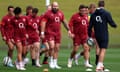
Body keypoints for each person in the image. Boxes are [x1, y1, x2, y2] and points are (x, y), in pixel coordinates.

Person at [88, 1, 117, 72]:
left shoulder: (93, 14)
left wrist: (89, 36)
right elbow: (111, 23)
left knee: (99, 49)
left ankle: (101, 66)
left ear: (98, 5)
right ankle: (99, 66)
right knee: (103, 50)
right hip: (104, 34)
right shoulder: (106, 13)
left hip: (97, 35)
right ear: (104, 5)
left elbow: (89, 27)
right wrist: (115, 25)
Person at [41, 2, 71, 69]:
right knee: (51, 47)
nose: (55, 7)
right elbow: (43, 22)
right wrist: (42, 33)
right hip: (49, 33)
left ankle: (55, 63)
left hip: (58, 33)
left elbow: (64, 22)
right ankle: (51, 61)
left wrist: (69, 30)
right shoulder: (47, 13)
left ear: (58, 6)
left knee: (57, 48)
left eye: (56, 6)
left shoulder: (60, 13)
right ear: (52, 6)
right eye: (54, 6)